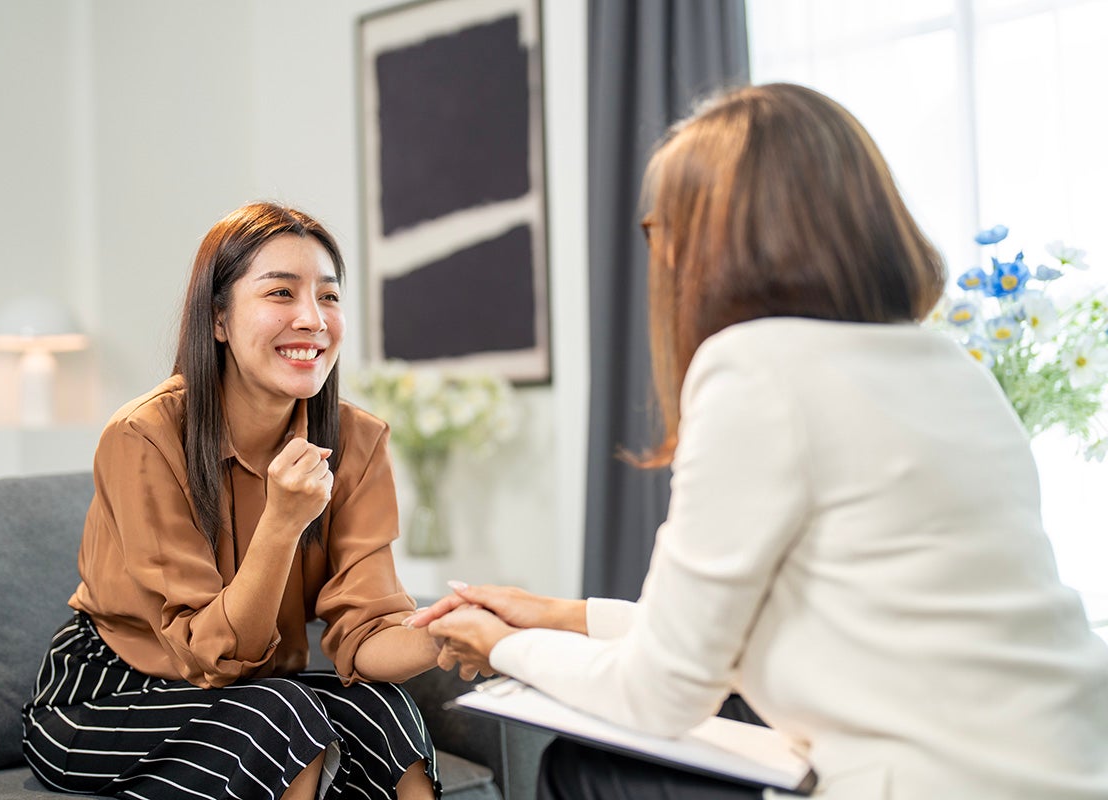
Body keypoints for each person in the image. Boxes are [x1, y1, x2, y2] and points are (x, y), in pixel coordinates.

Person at [406, 83, 1108, 799]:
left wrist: (506, 647)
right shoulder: (951, 369)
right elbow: (794, 628)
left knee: (582, 773)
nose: (663, 254)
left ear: (722, 240)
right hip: (1068, 766)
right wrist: (569, 617)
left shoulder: (757, 367)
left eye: (662, 228)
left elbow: (661, 694)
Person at [22, 202, 442, 800]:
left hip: (256, 688)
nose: (313, 319)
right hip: (109, 694)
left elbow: (365, 637)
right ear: (218, 319)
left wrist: (449, 636)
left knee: (383, 710)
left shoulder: (357, 442)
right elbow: (211, 657)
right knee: (280, 716)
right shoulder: (144, 436)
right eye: (280, 294)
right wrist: (283, 522)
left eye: (328, 296)